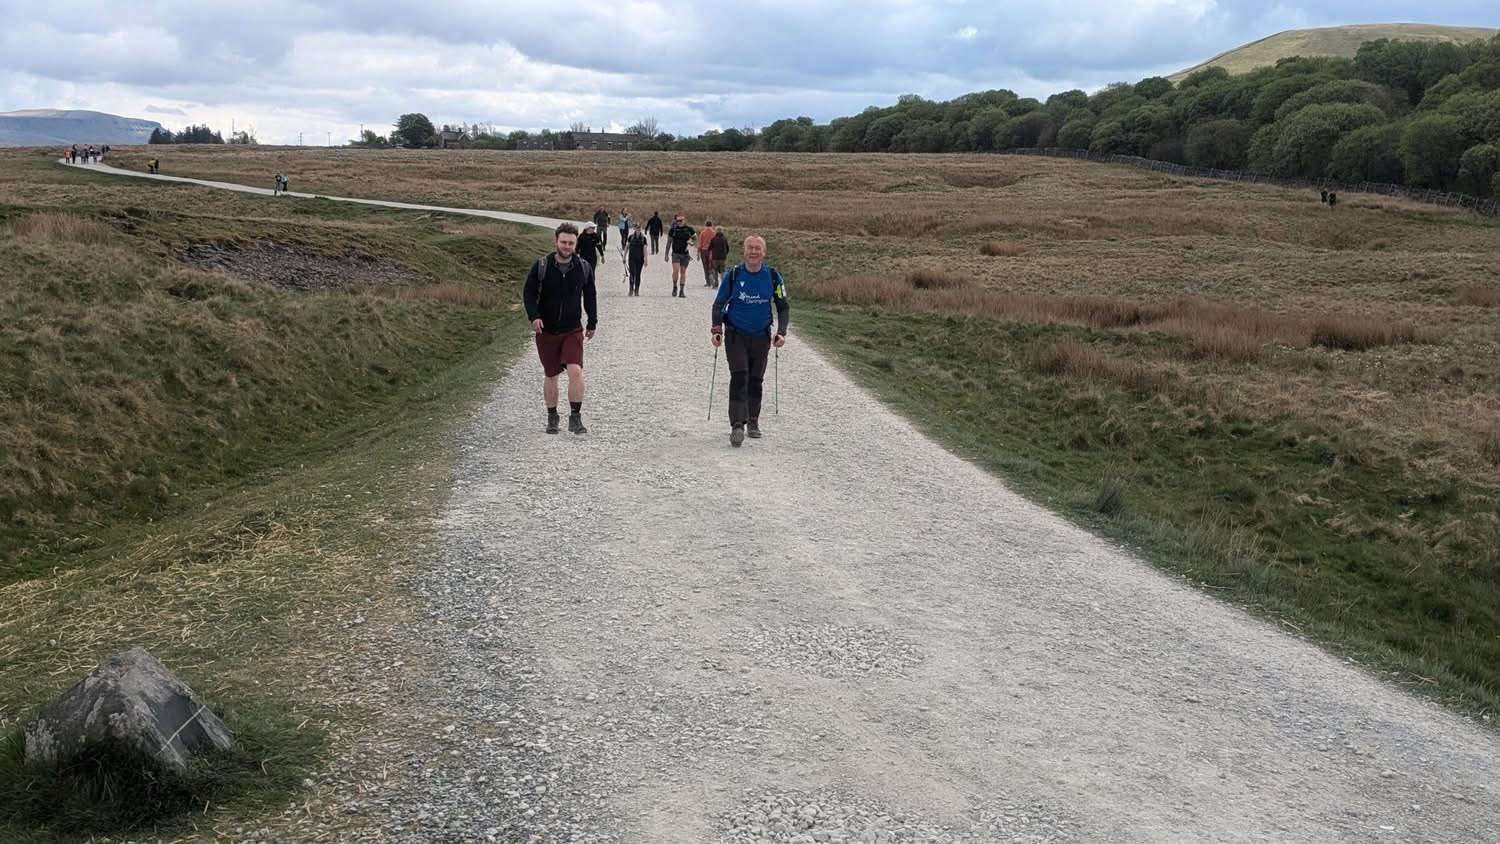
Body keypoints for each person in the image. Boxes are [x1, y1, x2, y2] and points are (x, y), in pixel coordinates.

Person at [711, 235, 788, 447]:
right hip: (736, 334)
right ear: (744, 251)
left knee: (756, 380)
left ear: (764, 252)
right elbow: (718, 305)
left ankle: (753, 420)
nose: (754, 252)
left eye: (757, 248)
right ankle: (737, 425)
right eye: (750, 248)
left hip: (761, 336)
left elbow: (783, 307)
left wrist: (781, 332)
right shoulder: (734, 275)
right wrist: (717, 329)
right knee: (739, 377)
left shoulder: (773, 277)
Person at [523, 223, 598, 435]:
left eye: (571, 243)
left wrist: (592, 321)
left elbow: (590, 295)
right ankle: (552, 416)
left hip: (572, 330)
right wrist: (534, 316)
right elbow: (528, 293)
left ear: (576, 244)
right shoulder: (541, 266)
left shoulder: (583, 267)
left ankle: (575, 417)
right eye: (563, 242)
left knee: (576, 370)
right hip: (546, 331)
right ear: (556, 241)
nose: (567, 246)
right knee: (551, 375)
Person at [666, 215, 695, 298]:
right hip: (675, 253)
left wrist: (691, 242)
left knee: (683, 271)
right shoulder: (673, 230)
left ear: (684, 221)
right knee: (676, 270)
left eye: (681, 221)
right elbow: (669, 242)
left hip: (685, 254)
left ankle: (681, 291)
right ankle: (675, 286)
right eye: (677, 221)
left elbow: (695, 239)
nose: (679, 222)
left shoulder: (689, 229)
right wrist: (666, 254)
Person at [625, 225, 648, 296]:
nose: (638, 230)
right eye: (637, 228)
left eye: (639, 228)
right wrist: (624, 257)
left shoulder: (643, 238)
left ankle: (637, 290)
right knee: (632, 273)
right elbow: (627, 247)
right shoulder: (630, 237)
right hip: (631, 258)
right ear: (634, 229)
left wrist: (645, 259)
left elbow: (645, 250)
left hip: (640, 259)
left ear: (641, 229)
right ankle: (631, 289)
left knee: (638, 274)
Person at [698, 220, 718, 287]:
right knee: (712, 266)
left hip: (704, 251)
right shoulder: (714, 233)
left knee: (705, 266)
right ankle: (713, 280)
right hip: (712, 251)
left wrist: (698, 252)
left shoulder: (702, 233)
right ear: (712, 225)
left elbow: (700, 243)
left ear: (705, 225)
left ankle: (708, 282)